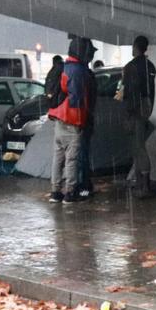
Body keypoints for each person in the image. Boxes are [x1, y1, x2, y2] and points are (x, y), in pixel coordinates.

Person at [48, 37, 93, 204]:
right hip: (72, 120)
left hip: (59, 118)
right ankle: (70, 192)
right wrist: (82, 121)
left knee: (58, 157)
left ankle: (55, 192)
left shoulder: (63, 66)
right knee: (71, 159)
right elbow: (77, 100)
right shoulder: (78, 70)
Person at [122, 35, 156, 198]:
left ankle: (143, 185)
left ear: (135, 47)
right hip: (146, 106)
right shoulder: (150, 66)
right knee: (139, 144)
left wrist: (129, 112)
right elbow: (151, 91)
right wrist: (148, 108)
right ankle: (141, 183)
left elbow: (129, 92)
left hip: (135, 109)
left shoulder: (131, 67)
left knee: (138, 146)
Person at [74, 39, 98, 200]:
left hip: (80, 120)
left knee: (80, 154)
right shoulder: (88, 74)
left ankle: (82, 187)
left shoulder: (81, 74)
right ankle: (85, 186)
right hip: (86, 119)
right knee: (83, 153)